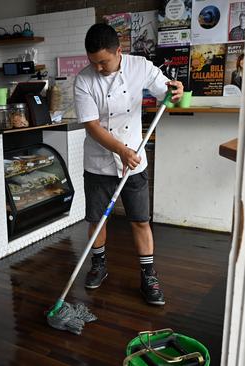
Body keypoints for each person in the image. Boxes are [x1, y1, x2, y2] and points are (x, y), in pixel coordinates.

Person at [74, 24, 183, 306]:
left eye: (103, 62)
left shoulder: (140, 67)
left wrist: (176, 91)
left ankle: (149, 275)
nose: (98, 67)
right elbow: (92, 126)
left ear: (118, 52)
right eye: (93, 62)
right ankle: (99, 265)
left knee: (140, 220)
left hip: (134, 161)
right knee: (97, 221)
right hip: (98, 163)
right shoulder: (84, 80)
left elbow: (167, 95)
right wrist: (120, 150)